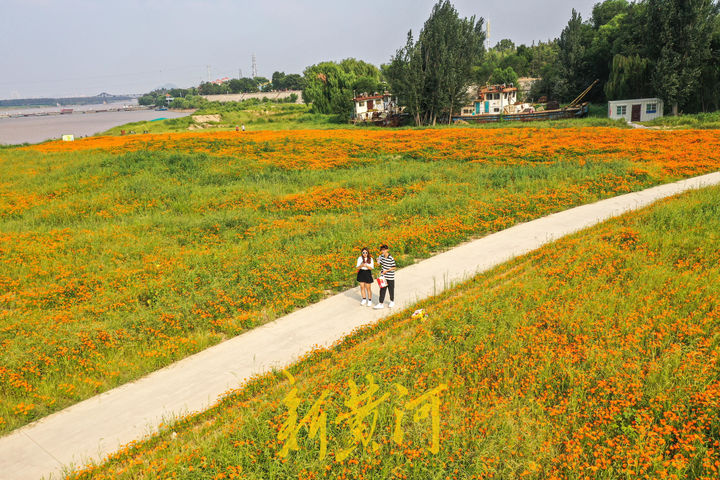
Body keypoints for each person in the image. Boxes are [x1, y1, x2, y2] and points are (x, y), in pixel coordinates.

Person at [374, 244, 396, 309]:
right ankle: (381, 303)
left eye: (384, 250)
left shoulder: (391, 258)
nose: (383, 251)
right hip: (383, 276)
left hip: (390, 276)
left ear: (387, 250)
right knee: (382, 290)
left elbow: (394, 267)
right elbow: (378, 264)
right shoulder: (381, 256)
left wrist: (387, 270)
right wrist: (377, 260)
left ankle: (392, 301)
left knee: (391, 289)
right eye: (382, 250)